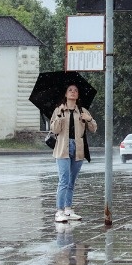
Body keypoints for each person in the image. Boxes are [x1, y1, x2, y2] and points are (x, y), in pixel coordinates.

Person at [50, 84, 98, 222]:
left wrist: (88, 119)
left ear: (78, 95)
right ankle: (59, 211)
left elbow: (93, 129)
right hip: (62, 148)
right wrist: (59, 116)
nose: (73, 92)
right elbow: (55, 130)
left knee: (71, 181)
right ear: (65, 94)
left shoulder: (82, 111)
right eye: (70, 90)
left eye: (76, 90)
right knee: (63, 180)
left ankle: (68, 210)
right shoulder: (59, 110)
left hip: (78, 148)